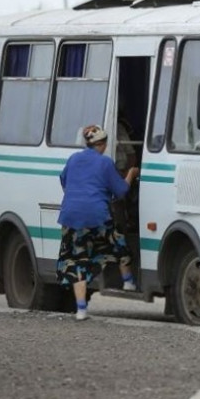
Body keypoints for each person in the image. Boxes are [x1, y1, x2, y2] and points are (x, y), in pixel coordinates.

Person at [57, 124, 140, 321]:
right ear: (102, 144)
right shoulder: (105, 163)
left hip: (70, 217)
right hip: (97, 215)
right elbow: (121, 191)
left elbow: (64, 181)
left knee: (77, 261)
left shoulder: (73, 159)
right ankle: (128, 282)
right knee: (117, 240)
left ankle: (81, 310)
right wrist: (131, 173)